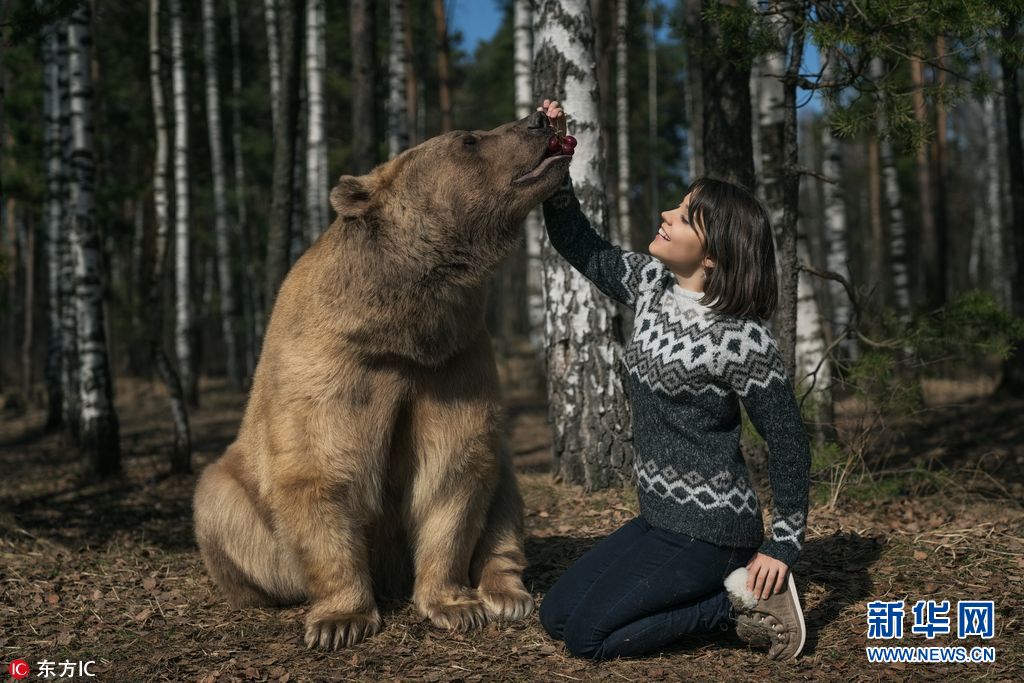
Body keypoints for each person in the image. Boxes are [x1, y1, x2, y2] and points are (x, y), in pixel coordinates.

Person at [534, 99, 811, 661]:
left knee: (590, 639)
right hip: (658, 516)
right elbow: (579, 243)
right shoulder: (650, 284)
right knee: (556, 615)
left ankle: (736, 605)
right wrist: (557, 154)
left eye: (684, 217)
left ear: (713, 256)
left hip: (712, 530)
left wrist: (782, 543)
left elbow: (787, 441)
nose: (666, 214)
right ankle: (711, 593)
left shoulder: (744, 339)